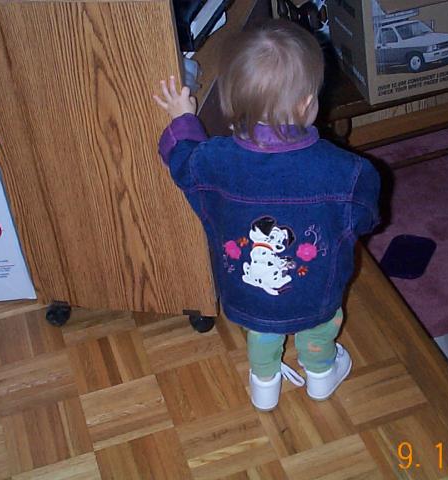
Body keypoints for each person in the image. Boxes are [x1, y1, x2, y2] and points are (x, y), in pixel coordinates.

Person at [154, 20, 380, 411]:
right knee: (319, 326)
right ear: (307, 103)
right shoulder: (348, 171)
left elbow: (183, 160)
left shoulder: (212, 161)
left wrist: (183, 118)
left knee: (261, 331)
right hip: (317, 291)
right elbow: (366, 218)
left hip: (248, 294)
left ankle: (264, 383)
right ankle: (321, 375)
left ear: (232, 100)